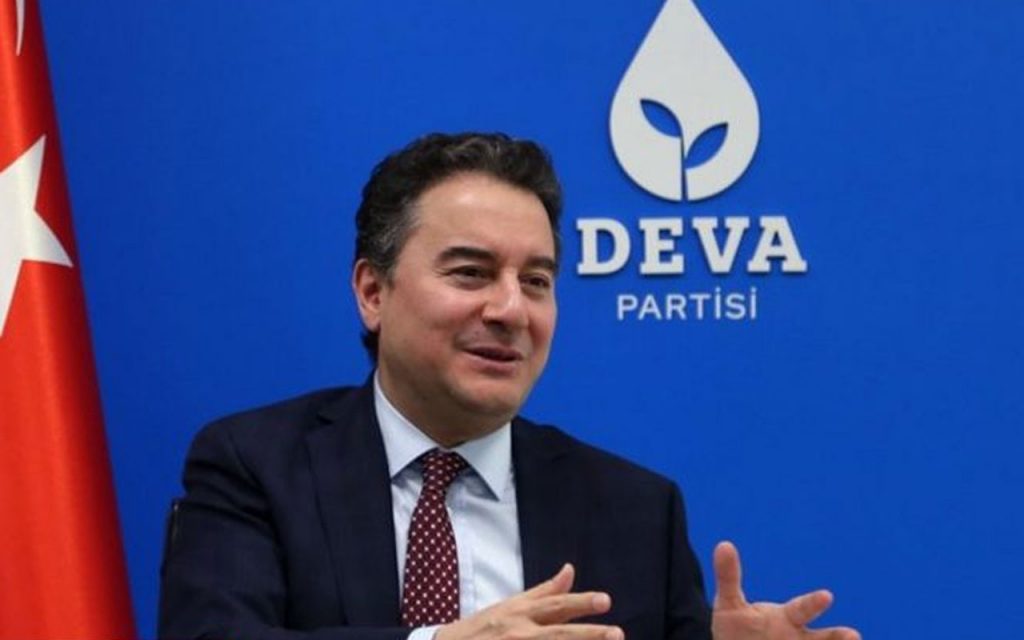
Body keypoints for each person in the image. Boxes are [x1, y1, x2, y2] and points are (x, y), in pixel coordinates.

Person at [158, 132, 859, 640]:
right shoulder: (257, 465)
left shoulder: (637, 509)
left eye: (536, 281)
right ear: (373, 291)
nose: (511, 310)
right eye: (470, 273)